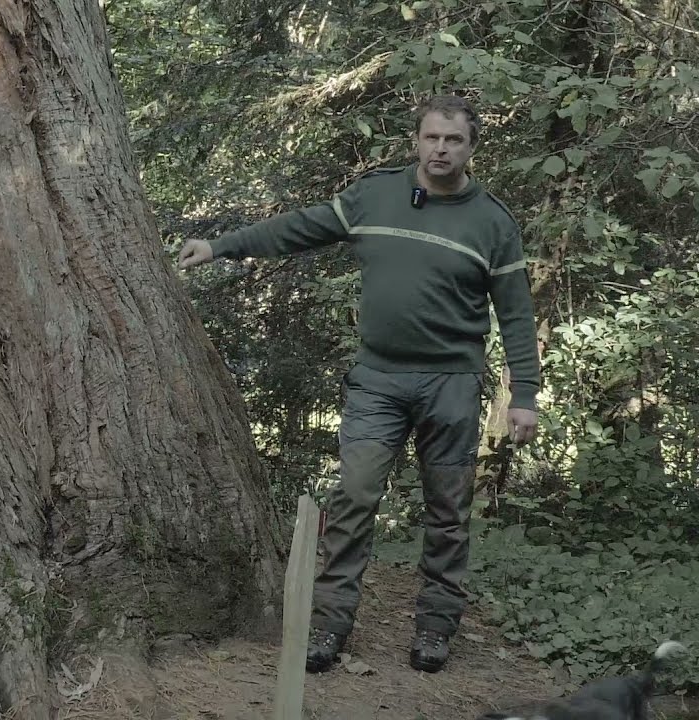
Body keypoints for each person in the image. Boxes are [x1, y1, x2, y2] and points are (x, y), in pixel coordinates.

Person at [177, 94, 541, 674]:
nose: (440, 149)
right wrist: (222, 245)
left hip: (451, 386)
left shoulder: (492, 223)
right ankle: (329, 626)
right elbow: (301, 228)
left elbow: (517, 317)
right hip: (378, 381)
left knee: (448, 511)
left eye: (453, 140)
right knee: (354, 499)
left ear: (471, 147)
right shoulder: (376, 196)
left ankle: (435, 628)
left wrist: (524, 396)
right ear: (416, 140)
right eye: (431, 138)